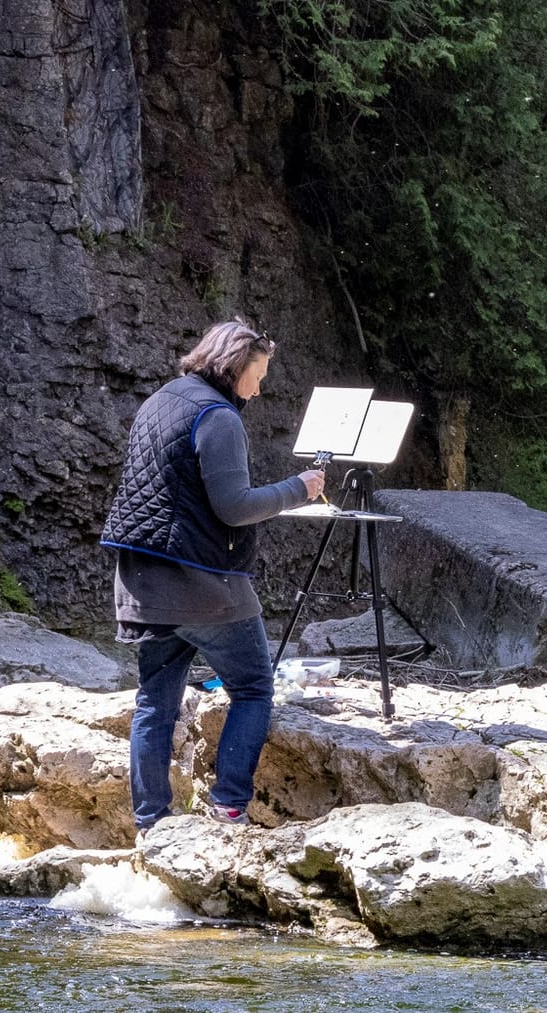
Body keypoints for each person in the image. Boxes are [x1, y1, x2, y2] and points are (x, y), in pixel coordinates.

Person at [100, 319, 325, 832]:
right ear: (235, 365)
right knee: (254, 688)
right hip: (202, 586)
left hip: (142, 583)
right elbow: (234, 507)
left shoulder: (161, 400)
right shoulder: (218, 416)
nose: (259, 389)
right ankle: (227, 807)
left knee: (154, 701)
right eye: (258, 375)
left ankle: (152, 823)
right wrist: (299, 488)